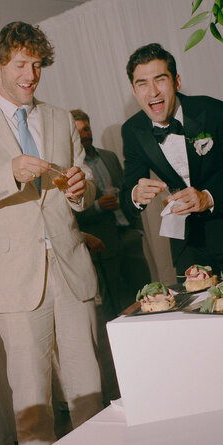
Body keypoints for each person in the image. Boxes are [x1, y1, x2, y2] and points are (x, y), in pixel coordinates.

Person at [0, 21, 104, 445]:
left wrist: (81, 189)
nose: (30, 75)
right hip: (13, 280)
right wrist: (8, 173)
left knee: (89, 388)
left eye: (36, 65)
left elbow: (86, 181)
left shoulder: (60, 118)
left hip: (70, 269)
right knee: (32, 398)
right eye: (19, 64)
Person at [120, 43, 223, 277]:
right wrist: (135, 195)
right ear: (134, 90)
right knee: (195, 300)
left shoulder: (215, 112)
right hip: (187, 245)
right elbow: (127, 196)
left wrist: (208, 198)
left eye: (160, 80)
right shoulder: (132, 130)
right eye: (142, 83)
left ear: (176, 82)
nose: (153, 92)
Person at [70, 109, 151, 318]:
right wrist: (98, 205)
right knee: (116, 306)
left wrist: (138, 230)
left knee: (148, 296)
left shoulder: (109, 156)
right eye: (78, 131)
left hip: (130, 236)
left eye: (86, 128)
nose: (85, 134)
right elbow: (71, 214)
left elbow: (129, 193)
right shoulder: (72, 168)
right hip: (103, 246)